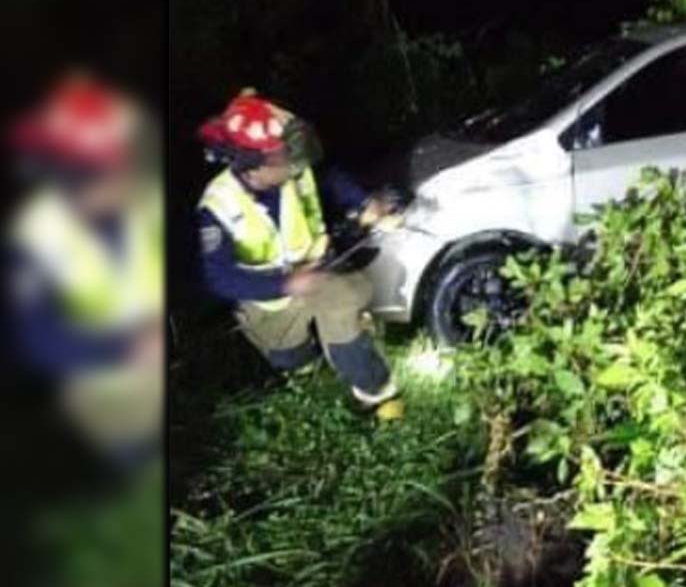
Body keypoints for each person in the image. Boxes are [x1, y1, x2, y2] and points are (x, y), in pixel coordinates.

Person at [196, 88, 403, 411]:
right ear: (253, 166)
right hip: (269, 303)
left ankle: (377, 394)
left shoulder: (295, 167)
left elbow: (331, 177)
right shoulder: (218, 206)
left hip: (319, 273)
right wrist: (286, 283)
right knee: (293, 361)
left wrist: (364, 204)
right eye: (284, 157)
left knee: (344, 306)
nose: (296, 163)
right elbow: (220, 277)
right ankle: (311, 375)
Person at [6, 72, 164, 474]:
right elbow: (36, 339)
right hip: (94, 373)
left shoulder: (142, 205)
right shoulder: (38, 235)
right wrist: (121, 349)